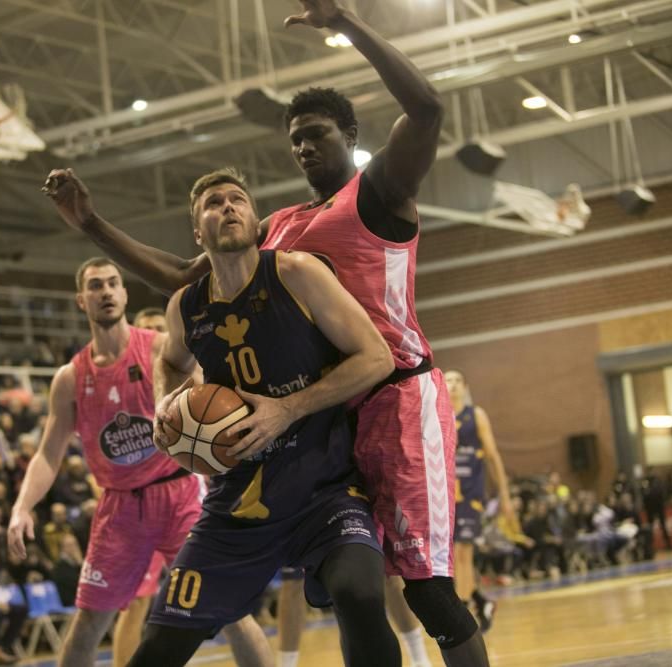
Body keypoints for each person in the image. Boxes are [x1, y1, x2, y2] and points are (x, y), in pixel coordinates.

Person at [41, 2, 487, 664]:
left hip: (393, 390)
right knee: (366, 583)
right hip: (332, 410)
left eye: (317, 132)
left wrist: (349, 25)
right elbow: (183, 278)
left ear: (351, 134)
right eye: (295, 138)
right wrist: (93, 226)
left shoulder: (379, 191)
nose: (304, 145)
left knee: (427, 590)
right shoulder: (275, 226)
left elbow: (427, 110)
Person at [122, 168, 396, 667]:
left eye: (237, 200)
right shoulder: (187, 305)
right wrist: (165, 403)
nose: (228, 207)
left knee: (359, 594)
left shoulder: (296, 273)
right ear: (197, 232)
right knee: (159, 646)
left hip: (325, 491)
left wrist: (287, 409)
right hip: (237, 507)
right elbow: (167, 360)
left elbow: (376, 358)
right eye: (213, 203)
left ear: (254, 218)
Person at [7, 258, 271, 667]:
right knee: (89, 623)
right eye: (96, 286)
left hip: (178, 492)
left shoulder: (158, 348)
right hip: (120, 508)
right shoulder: (69, 377)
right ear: (82, 300)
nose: (107, 292)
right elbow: (48, 452)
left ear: (125, 293)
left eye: (113, 283)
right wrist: (22, 507)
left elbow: (204, 396)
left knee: (230, 608)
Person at [445, 370, 517, 633]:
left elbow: (493, 457)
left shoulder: (476, 415)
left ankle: (462, 615)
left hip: (471, 493)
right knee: (454, 556)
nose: (451, 385)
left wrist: (505, 496)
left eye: (456, 381)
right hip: (446, 495)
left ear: (465, 387)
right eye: (447, 381)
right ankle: (481, 601)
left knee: (464, 552)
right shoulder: (439, 414)